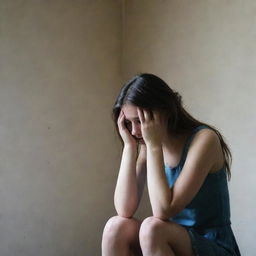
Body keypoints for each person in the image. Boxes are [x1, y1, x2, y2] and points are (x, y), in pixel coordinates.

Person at [101, 73, 241, 256]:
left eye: (140, 121)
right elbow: (124, 209)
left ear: (163, 112)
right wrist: (129, 147)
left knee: (152, 228)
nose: (135, 131)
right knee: (116, 226)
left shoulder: (204, 140)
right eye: (129, 123)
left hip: (213, 244)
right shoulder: (146, 145)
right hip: (170, 238)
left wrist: (153, 146)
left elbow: (163, 211)